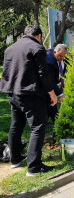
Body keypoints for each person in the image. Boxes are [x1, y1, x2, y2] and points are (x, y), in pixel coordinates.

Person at [0, 25, 57, 176]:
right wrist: (51, 92)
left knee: (16, 126)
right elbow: (43, 73)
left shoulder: (10, 49)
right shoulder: (37, 47)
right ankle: (34, 167)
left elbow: (5, 72)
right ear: (39, 36)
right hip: (30, 94)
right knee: (38, 127)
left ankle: (15, 160)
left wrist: (9, 93)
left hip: (13, 93)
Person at [46, 44, 68, 123]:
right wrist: (61, 94)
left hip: (54, 82)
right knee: (51, 102)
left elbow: (65, 70)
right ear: (55, 52)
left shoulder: (63, 57)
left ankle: (52, 122)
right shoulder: (49, 62)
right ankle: (57, 123)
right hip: (45, 85)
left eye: (64, 56)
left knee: (50, 103)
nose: (62, 58)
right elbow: (50, 81)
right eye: (60, 56)